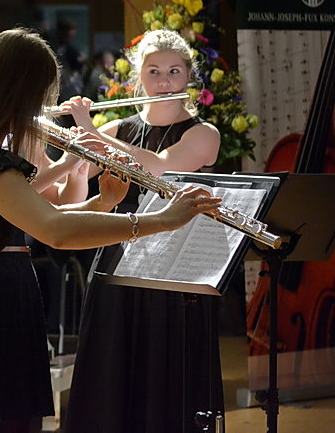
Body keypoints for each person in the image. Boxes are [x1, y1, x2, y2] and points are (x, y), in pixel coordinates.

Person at [0, 28, 221, 431]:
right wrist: (163, 219)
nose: (42, 110)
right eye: (41, 97)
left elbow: (42, 214)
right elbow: (56, 230)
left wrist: (101, 204)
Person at [62, 29, 222, 433]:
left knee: (166, 378)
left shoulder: (204, 134)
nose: (164, 81)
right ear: (139, 76)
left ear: (189, 76)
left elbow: (159, 168)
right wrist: (69, 149)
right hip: (117, 260)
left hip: (176, 268)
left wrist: (92, 134)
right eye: (154, 71)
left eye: (173, 71)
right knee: (111, 376)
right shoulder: (116, 129)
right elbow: (70, 192)